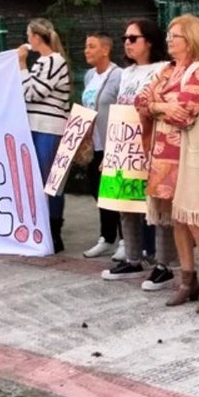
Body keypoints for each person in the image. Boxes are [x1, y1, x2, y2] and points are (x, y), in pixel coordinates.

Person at [137, 15, 199, 312]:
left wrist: (157, 107)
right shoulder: (166, 71)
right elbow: (140, 101)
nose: (169, 41)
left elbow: (183, 115)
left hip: (188, 159)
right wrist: (162, 105)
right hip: (164, 158)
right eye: (169, 36)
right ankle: (187, 281)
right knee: (177, 220)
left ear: (191, 39)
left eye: (176, 36)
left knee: (196, 221)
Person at [101, 18, 175, 287]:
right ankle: (133, 258)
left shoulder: (164, 70)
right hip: (125, 147)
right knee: (126, 204)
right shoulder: (126, 73)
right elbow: (120, 111)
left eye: (133, 38)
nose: (127, 43)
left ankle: (164, 264)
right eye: (125, 39)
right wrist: (113, 152)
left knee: (158, 206)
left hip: (152, 145)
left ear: (150, 41)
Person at [18, 18, 73, 253]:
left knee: (51, 182)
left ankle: (54, 233)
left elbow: (33, 92)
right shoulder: (42, 62)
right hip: (36, 126)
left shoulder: (54, 61)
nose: (28, 40)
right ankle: (45, 230)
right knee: (38, 181)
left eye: (29, 35)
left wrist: (21, 65)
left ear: (36, 38)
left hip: (50, 127)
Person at [80, 32, 124, 258]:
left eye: (91, 46)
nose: (86, 50)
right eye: (86, 46)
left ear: (105, 50)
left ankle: (125, 240)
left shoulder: (118, 76)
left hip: (112, 144)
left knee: (116, 192)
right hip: (93, 145)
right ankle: (107, 238)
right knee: (99, 192)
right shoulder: (89, 76)